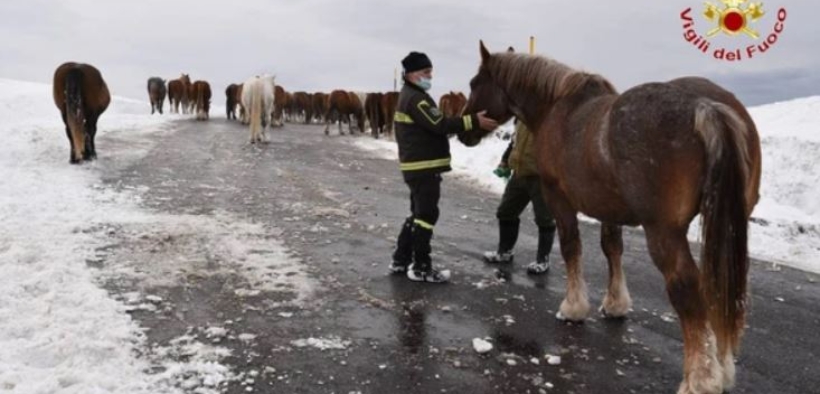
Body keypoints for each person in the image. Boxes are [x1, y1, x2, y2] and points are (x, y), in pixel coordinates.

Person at [389, 51, 499, 283]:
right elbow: (439, 124)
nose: (430, 76)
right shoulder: (416, 99)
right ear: (411, 74)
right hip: (423, 167)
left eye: (431, 72)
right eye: (426, 72)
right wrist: (472, 121)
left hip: (417, 166)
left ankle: (401, 259)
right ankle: (421, 266)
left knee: (418, 213)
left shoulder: (410, 95)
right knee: (426, 215)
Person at [483, 119, 556, 274]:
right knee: (505, 212)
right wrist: (505, 160)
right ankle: (504, 252)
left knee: (544, 218)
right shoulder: (521, 116)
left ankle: (543, 260)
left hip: (541, 177)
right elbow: (514, 141)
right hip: (519, 173)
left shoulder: (551, 116)